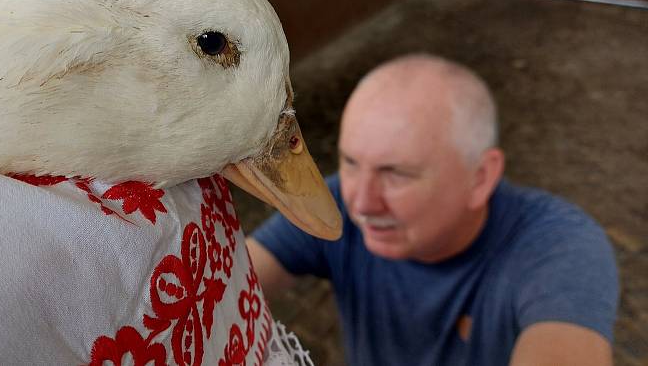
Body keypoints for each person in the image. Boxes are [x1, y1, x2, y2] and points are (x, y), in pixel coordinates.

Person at [247, 54, 619, 365]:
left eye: (396, 174)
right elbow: (228, 283)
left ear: (481, 178)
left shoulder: (560, 247)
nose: (360, 204)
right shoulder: (335, 202)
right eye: (350, 162)